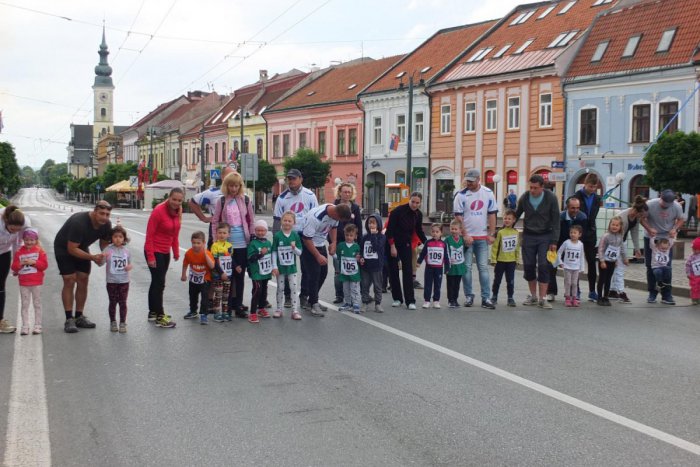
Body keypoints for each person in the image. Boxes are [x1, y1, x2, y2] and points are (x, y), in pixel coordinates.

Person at [55, 201, 112, 333]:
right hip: (64, 248)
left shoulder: (106, 224)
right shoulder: (79, 222)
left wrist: (104, 257)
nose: (104, 217)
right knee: (70, 279)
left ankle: (79, 316)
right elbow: (72, 249)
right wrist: (92, 257)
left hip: (81, 247)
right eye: (101, 213)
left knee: (83, 278)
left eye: (107, 214)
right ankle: (69, 319)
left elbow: (104, 244)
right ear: (94, 211)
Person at [212, 171, 256, 318]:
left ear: (240, 186)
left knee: (240, 275)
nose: (233, 189)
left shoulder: (246, 200)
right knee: (228, 276)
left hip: (242, 243)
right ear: (226, 186)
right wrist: (215, 240)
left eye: (236, 186)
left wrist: (252, 237)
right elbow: (215, 221)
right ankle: (227, 306)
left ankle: (238, 306)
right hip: (226, 245)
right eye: (231, 186)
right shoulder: (221, 201)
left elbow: (251, 219)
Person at [273, 169, 318, 309]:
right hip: (287, 235)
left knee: (306, 268)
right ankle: (287, 295)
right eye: (289, 179)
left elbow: (315, 217)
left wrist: (313, 238)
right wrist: (276, 239)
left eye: (294, 179)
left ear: (300, 179)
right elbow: (276, 220)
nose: (291, 182)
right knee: (286, 266)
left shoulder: (310, 195)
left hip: (304, 236)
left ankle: (303, 295)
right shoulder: (282, 197)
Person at [453, 169, 498, 309]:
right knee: (466, 268)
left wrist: (491, 233)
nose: (469, 183)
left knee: (483, 268)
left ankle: (486, 298)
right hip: (467, 238)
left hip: (482, 237)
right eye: (467, 180)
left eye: (472, 181)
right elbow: (458, 218)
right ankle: (469, 295)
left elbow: (492, 214)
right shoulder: (460, 195)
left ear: (479, 179)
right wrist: (465, 234)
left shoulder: (488, 193)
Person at [514, 174, 561, 309]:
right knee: (528, 266)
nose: (532, 190)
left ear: (542, 187)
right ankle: (533, 296)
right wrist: (507, 228)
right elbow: (517, 214)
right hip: (528, 235)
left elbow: (556, 220)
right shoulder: (525, 197)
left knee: (543, 265)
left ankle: (543, 298)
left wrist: (554, 240)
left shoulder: (551, 198)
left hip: (545, 236)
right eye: (531, 187)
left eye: (535, 188)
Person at [301, 203, 352, 317]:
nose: (338, 221)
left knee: (323, 273)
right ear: (335, 214)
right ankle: (313, 304)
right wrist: (318, 256)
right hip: (307, 244)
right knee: (314, 273)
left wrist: (333, 242)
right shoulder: (315, 218)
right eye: (339, 219)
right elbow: (306, 239)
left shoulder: (335, 213)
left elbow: (333, 227)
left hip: (320, 243)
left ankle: (312, 300)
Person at [144, 188, 183, 329]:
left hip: (165, 251)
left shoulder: (178, 211)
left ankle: (152, 312)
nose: (176, 203)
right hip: (154, 250)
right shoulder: (158, 211)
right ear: (169, 197)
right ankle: (160, 316)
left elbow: (175, 233)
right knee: (159, 283)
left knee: (156, 282)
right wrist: (150, 256)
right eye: (174, 199)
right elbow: (149, 235)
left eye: (179, 200)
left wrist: (176, 251)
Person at [640, 189, 684, 304]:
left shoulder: (676, 207)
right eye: (665, 203)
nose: (666, 206)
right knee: (651, 266)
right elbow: (642, 218)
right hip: (651, 237)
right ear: (661, 198)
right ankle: (652, 292)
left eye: (669, 204)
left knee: (666, 267)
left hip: (666, 239)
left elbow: (681, 219)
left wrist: (675, 229)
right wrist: (649, 229)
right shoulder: (650, 204)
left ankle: (666, 295)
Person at [386, 193, 428, 310]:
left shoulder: (418, 214)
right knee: (393, 271)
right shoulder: (398, 211)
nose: (414, 204)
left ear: (420, 203)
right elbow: (389, 230)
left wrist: (427, 243)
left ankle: (410, 300)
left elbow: (419, 230)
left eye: (417, 203)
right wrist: (392, 246)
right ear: (409, 200)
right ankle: (397, 298)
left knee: (408, 271)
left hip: (406, 244)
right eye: (412, 202)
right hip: (392, 243)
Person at [547, 197, 588, 301]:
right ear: (567, 207)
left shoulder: (582, 218)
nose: (575, 210)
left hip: (573, 246)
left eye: (577, 208)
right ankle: (551, 292)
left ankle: (575, 292)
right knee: (551, 266)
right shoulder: (560, 217)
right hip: (559, 244)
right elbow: (554, 231)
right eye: (572, 208)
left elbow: (583, 235)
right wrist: (554, 244)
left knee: (574, 268)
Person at [609, 196, 648, 303]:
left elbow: (634, 232)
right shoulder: (623, 217)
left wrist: (637, 248)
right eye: (641, 215)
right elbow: (618, 237)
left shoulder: (636, 218)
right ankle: (621, 292)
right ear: (636, 211)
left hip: (622, 242)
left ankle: (612, 290)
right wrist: (623, 256)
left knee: (618, 268)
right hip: (614, 243)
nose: (642, 217)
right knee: (619, 267)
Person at [572, 173, 602, 301]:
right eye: (590, 186)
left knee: (591, 261)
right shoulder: (576, 196)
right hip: (578, 231)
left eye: (594, 187)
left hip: (591, 232)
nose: (592, 189)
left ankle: (592, 291)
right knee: (576, 262)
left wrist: (592, 228)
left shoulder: (597, 198)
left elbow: (593, 215)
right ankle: (576, 290)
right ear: (585, 184)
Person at [10, 228, 47, 335]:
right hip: (24, 283)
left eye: (32, 240)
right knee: (25, 305)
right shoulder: (19, 252)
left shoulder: (40, 251)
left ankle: (38, 325)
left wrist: (33, 262)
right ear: (23, 240)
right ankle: (25, 326)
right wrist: (20, 264)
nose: (29, 242)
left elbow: (44, 266)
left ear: (36, 240)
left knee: (37, 304)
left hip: (36, 282)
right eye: (26, 240)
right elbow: (14, 267)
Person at [0, 205, 31, 334]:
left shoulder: (25, 224)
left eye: (17, 230)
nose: (14, 232)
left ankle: (0, 321)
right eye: (12, 229)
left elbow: (18, 244)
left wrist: (17, 264)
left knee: (0, 287)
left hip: (4, 253)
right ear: (6, 222)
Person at [332, 183, 363, 305]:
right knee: (339, 270)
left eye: (349, 192)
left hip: (352, 244)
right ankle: (339, 295)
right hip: (339, 243)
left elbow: (359, 226)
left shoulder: (355, 207)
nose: (347, 194)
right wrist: (332, 243)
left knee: (353, 269)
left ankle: (354, 294)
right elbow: (330, 225)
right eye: (345, 192)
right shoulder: (334, 206)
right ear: (340, 192)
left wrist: (359, 245)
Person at [188, 166, 235, 247]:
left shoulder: (240, 194)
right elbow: (193, 202)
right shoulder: (213, 193)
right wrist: (204, 218)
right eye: (229, 175)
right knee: (215, 256)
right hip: (217, 230)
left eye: (234, 175)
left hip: (235, 232)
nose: (232, 178)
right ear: (222, 177)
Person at [271, 211, 303, 320]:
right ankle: (279, 309)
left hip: (291, 268)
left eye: (289, 221)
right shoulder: (277, 235)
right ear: (281, 221)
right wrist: (274, 266)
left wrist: (294, 248)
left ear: (294, 222)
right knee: (280, 288)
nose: (287, 223)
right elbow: (274, 251)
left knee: (293, 287)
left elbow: (300, 253)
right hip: (280, 267)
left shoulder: (295, 235)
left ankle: (294, 310)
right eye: (285, 220)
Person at [102, 225, 132, 333]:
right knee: (113, 302)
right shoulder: (108, 249)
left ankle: (123, 322)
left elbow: (129, 264)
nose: (118, 239)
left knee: (123, 302)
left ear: (124, 239)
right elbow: (101, 263)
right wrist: (102, 257)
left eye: (120, 237)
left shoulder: (127, 251)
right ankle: (113, 322)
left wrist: (129, 267)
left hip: (124, 281)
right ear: (111, 238)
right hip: (112, 281)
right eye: (115, 236)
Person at [181, 231, 215, 325]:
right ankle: (193, 311)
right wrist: (183, 274)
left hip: (205, 279)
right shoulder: (189, 253)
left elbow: (212, 266)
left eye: (198, 243)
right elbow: (185, 264)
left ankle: (204, 314)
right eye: (194, 243)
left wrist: (205, 255)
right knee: (192, 296)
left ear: (204, 243)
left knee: (204, 298)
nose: (196, 245)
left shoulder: (207, 253)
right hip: (193, 279)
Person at [209, 223, 239, 322]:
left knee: (226, 295)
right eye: (220, 233)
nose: (222, 235)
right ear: (216, 234)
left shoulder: (229, 246)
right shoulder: (215, 246)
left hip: (228, 274)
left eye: (224, 233)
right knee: (218, 294)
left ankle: (225, 312)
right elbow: (215, 261)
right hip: (218, 275)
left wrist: (236, 266)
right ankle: (217, 313)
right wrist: (221, 273)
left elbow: (231, 258)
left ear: (228, 234)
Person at [490, 209, 520, 307]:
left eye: (509, 219)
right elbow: (495, 247)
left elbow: (517, 247)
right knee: (497, 280)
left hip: (511, 261)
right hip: (500, 261)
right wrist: (493, 259)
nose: (507, 220)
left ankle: (510, 297)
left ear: (514, 220)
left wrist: (517, 258)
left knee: (510, 280)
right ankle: (494, 296)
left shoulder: (516, 233)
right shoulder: (500, 232)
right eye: (505, 218)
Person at [416, 223, 449, 309]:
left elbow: (445, 256)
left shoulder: (443, 244)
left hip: (439, 268)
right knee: (428, 284)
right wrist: (419, 262)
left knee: (437, 285)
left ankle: (436, 301)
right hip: (429, 267)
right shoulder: (428, 242)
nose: (435, 233)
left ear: (441, 233)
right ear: (431, 232)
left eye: (437, 232)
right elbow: (423, 253)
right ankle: (427, 300)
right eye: (433, 231)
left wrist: (447, 267)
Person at [597, 216, 627, 306]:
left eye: (617, 225)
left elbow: (620, 249)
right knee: (602, 279)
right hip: (604, 261)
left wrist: (624, 258)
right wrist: (602, 261)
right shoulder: (606, 236)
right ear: (609, 225)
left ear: (620, 227)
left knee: (608, 280)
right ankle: (599, 297)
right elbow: (601, 249)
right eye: (613, 224)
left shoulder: (620, 237)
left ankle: (606, 297)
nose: (614, 226)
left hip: (612, 262)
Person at [247, 220, 273, 324]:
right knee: (257, 290)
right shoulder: (253, 243)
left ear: (266, 231)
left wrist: (273, 268)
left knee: (264, 291)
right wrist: (260, 254)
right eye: (258, 230)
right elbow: (250, 258)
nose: (260, 232)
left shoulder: (268, 243)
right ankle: (253, 312)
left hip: (266, 272)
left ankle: (261, 308)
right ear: (255, 231)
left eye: (263, 230)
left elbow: (271, 257)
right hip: (256, 272)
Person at [359, 213, 385, 313]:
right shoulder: (365, 237)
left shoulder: (382, 237)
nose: (371, 225)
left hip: (376, 266)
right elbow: (361, 249)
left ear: (378, 224)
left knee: (377, 286)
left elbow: (376, 248)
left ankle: (378, 304)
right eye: (370, 223)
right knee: (364, 285)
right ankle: (365, 302)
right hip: (365, 266)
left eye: (374, 223)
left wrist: (374, 236)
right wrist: (361, 257)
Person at [555, 225, 585, 307]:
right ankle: (567, 298)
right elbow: (559, 252)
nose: (572, 234)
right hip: (567, 267)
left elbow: (582, 256)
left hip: (576, 267)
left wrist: (582, 268)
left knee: (575, 283)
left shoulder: (580, 244)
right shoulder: (566, 242)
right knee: (568, 283)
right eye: (571, 232)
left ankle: (574, 298)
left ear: (579, 234)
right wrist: (560, 262)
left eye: (575, 233)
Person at [336, 224, 362, 314]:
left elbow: (360, 259)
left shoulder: (357, 247)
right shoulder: (341, 246)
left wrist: (360, 258)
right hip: (344, 273)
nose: (348, 237)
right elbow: (338, 256)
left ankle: (356, 304)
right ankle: (347, 302)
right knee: (346, 289)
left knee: (355, 289)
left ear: (355, 236)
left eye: (351, 235)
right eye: (347, 235)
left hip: (354, 274)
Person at [445, 220, 466, 308]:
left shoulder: (462, 240)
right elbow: (445, 253)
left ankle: (455, 299)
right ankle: (450, 300)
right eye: (452, 229)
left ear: (460, 230)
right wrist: (446, 266)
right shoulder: (447, 240)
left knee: (457, 284)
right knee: (450, 284)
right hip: (451, 266)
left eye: (455, 229)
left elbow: (464, 250)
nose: (453, 231)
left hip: (459, 266)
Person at [649, 237, 674, 304]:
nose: (664, 250)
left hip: (664, 267)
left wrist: (671, 237)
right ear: (657, 246)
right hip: (656, 267)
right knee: (658, 272)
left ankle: (666, 285)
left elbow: (671, 243)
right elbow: (651, 243)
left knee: (669, 269)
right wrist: (652, 237)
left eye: (666, 248)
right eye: (662, 248)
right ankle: (659, 283)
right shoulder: (655, 249)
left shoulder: (667, 250)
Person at [685, 237, 700, 305]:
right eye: (693, 249)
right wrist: (688, 273)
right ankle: (694, 299)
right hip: (693, 275)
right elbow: (688, 265)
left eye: (695, 249)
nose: (693, 250)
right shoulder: (691, 257)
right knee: (694, 287)